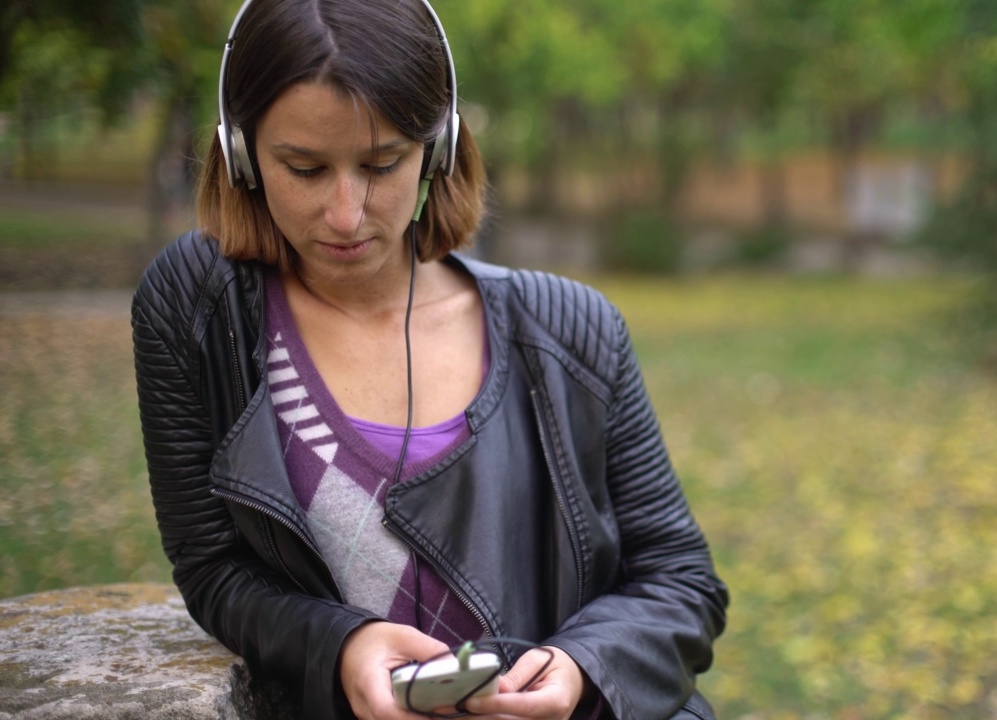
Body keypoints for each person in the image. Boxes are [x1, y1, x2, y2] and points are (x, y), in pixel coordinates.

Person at [130, 1, 728, 719]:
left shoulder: (575, 331)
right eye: (305, 168)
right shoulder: (196, 310)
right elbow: (212, 570)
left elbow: (681, 581)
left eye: (382, 164)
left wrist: (581, 669)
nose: (347, 213)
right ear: (240, 152)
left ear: (438, 148)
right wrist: (341, 645)